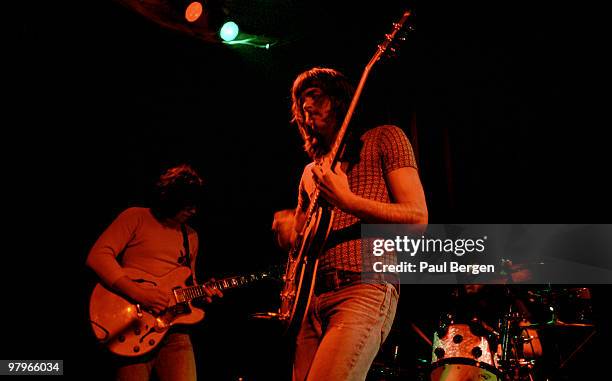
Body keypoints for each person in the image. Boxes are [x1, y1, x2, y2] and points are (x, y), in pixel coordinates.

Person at [272, 67, 428, 381]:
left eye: (315, 95)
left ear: (339, 100)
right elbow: (300, 237)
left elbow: (417, 217)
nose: (307, 107)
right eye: (301, 101)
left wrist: (349, 201)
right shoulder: (310, 173)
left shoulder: (385, 137)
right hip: (309, 301)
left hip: (363, 286)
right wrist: (290, 231)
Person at [86, 164, 222, 381]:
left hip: (176, 333)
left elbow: (188, 280)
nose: (193, 210)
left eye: (195, 205)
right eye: (188, 204)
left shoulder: (191, 236)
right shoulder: (136, 217)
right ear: (171, 197)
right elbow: (98, 256)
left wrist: (202, 292)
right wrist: (140, 293)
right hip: (133, 326)